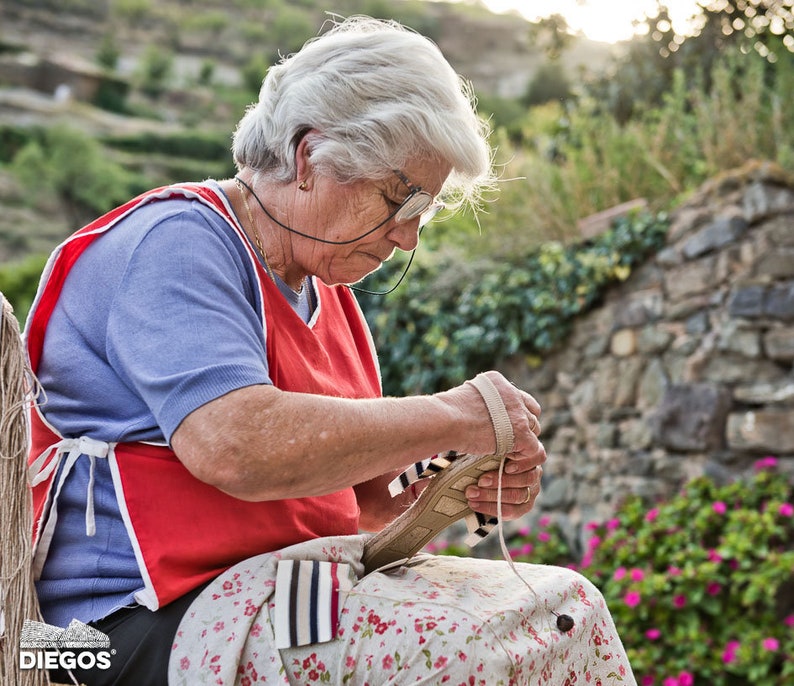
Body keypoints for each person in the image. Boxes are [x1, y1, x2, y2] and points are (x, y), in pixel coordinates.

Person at [26, 16, 635, 685]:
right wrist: (454, 415)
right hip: (116, 632)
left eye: (422, 214)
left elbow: (361, 504)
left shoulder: (329, 298)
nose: (407, 240)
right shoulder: (175, 243)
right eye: (398, 199)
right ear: (310, 156)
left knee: (565, 612)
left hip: (269, 593)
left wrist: (460, 486)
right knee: (457, 649)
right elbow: (236, 444)